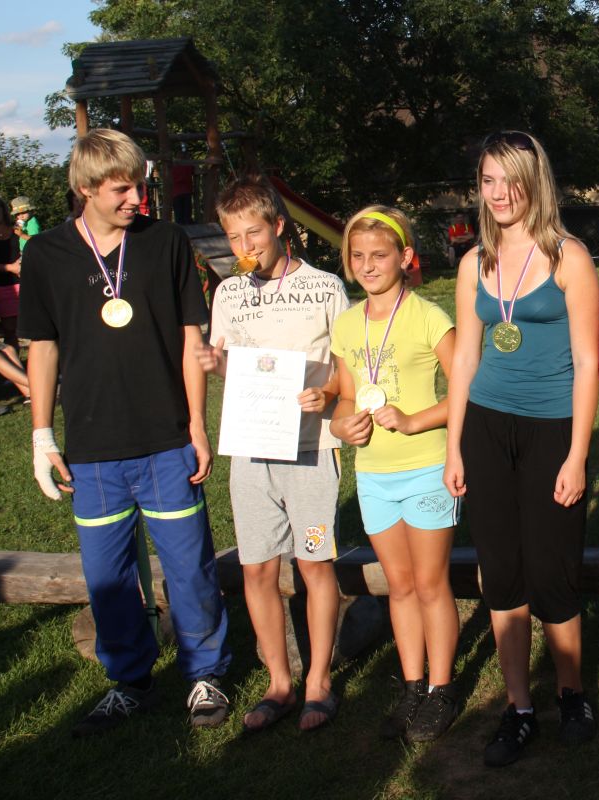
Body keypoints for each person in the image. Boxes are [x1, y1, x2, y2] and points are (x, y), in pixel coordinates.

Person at [19, 128, 231, 736]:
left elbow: (191, 338)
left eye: (141, 185)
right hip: (92, 449)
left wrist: (196, 426)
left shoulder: (166, 242)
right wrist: (41, 435)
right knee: (108, 577)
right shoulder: (46, 254)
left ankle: (205, 674)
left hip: (166, 440)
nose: (137, 198)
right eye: (122, 190)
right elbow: (42, 347)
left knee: (189, 568)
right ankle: (131, 680)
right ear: (85, 189)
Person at [443, 130, 599, 767]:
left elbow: (589, 363)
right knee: (502, 572)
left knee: (553, 569)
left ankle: (571, 694)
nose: (499, 193)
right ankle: (519, 708)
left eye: (511, 180)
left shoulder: (569, 258)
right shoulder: (474, 262)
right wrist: (454, 447)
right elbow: (465, 360)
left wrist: (577, 455)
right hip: (486, 427)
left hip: (551, 429)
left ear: (535, 182)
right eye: (488, 180)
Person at [197, 176, 348, 732]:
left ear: (279, 226)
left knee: (313, 562)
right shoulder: (228, 293)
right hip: (252, 451)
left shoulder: (325, 287)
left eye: (253, 233)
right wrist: (215, 365)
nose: (245, 247)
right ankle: (279, 683)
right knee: (257, 567)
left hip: (312, 449)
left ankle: (319, 682)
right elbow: (231, 366)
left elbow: (347, 363)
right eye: (234, 237)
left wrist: (327, 392)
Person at [329, 206, 462, 743]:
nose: (367, 265)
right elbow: (344, 397)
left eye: (379, 255)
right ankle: (411, 686)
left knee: (430, 584)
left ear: (404, 257)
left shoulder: (429, 317)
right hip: (374, 474)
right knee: (400, 587)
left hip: (426, 467)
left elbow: (466, 391)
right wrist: (342, 425)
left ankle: (441, 688)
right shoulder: (346, 324)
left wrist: (412, 421)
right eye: (358, 256)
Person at [0, 195, 23, 360]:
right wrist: (11, 268)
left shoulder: (17, 229)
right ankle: (16, 367)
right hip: (3, 288)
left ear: (3, 210)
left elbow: (33, 244)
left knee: (36, 328)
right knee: (10, 332)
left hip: (26, 284)